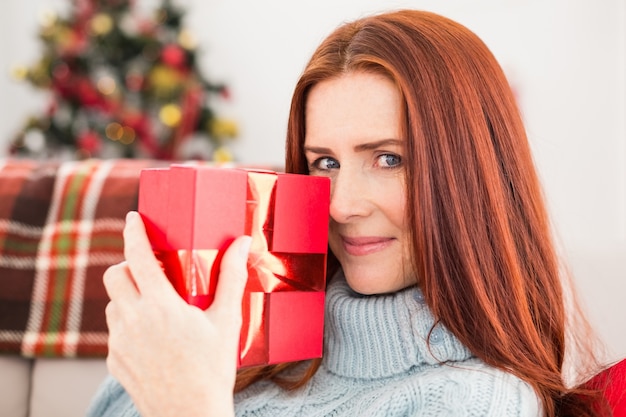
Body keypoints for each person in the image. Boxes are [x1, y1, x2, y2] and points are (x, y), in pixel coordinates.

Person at [87, 9, 611, 417]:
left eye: (388, 159)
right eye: (325, 162)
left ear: (469, 178)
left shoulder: (474, 400)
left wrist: (189, 404)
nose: (339, 205)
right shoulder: (240, 337)